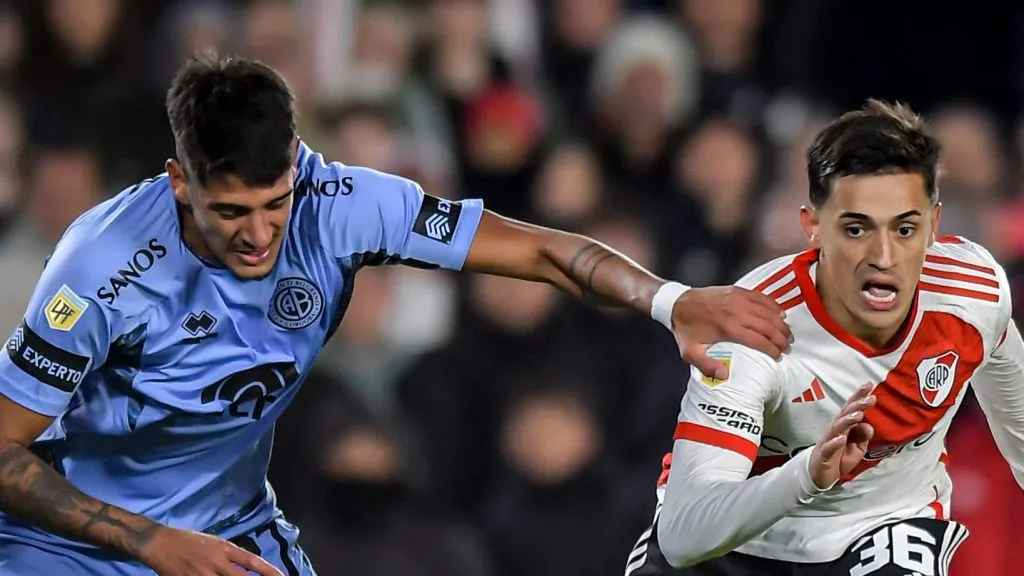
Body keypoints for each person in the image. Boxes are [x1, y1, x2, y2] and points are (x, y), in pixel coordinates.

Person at [0, 53, 791, 576]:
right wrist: (149, 542)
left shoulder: (342, 205)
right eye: (229, 211)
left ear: (298, 165)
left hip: (226, 527)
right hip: (68, 545)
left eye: (275, 203)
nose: (258, 234)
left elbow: (540, 253)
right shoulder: (100, 270)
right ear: (180, 182)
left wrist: (668, 299)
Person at [625, 99, 1024, 576]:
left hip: (881, 529)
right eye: (856, 228)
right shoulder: (752, 327)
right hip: (734, 542)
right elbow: (685, 534)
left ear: (934, 224)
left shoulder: (973, 290)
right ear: (812, 225)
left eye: (906, 228)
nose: (883, 256)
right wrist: (807, 474)